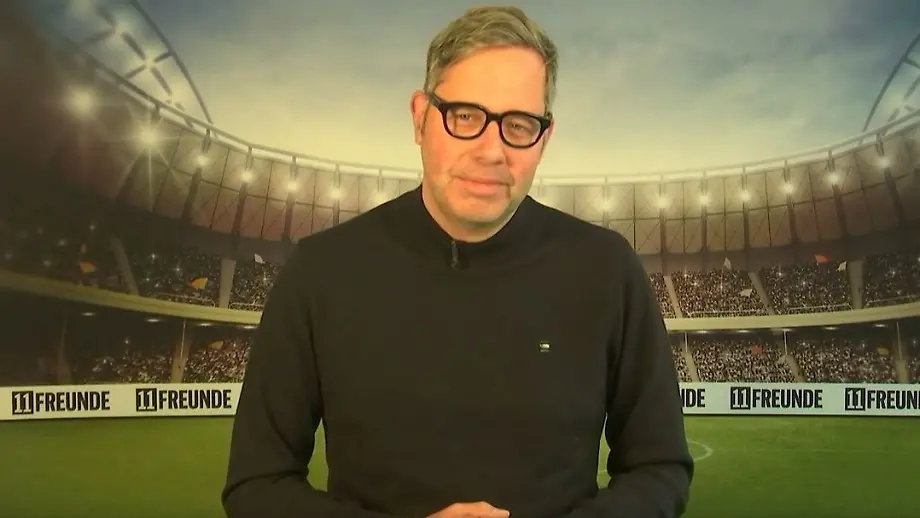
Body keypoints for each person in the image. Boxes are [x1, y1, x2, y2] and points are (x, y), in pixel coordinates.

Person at [222, 5, 693, 518]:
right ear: (420, 117)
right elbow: (258, 484)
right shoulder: (321, 271)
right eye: (465, 116)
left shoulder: (606, 269)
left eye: (519, 124)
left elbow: (659, 468)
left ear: (544, 138)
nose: (491, 151)